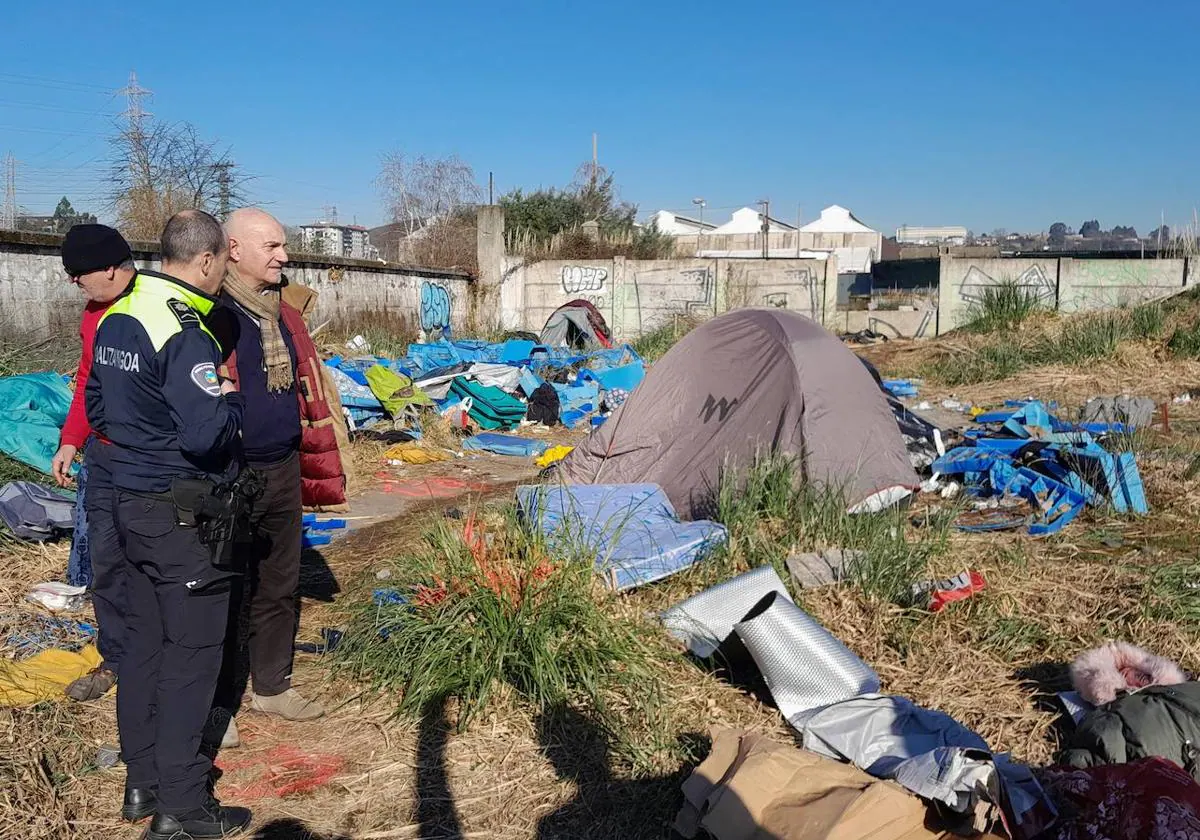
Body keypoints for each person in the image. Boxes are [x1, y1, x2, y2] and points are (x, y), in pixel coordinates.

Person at [86, 209, 252, 838]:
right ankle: (183, 807)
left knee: (142, 648)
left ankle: (142, 782)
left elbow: (97, 404)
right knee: (193, 656)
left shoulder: (120, 314)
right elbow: (207, 432)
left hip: (125, 500)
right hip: (179, 511)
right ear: (208, 261)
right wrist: (232, 404)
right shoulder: (186, 330)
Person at [207, 207, 346, 747]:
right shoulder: (210, 313)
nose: (283, 256)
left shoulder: (284, 313)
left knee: (280, 583)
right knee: (221, 589)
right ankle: (218, 705)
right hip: (230, 473)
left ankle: (271, 685)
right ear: (234, 250)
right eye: (271, 246)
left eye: (284, 245)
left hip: (283, 467)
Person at [51, 224, 136, 702]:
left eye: (77, 274)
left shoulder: (152, 307)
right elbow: (87, 377)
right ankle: (116, 657)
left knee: (156, 565)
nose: (75, 283)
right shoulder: (93, 314)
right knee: (107, 563)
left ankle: (163, 658)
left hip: (150, 461)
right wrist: (71, 440)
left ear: (108, 268)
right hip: (103, 459)